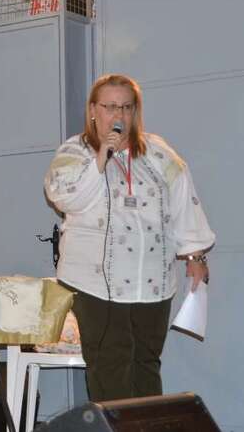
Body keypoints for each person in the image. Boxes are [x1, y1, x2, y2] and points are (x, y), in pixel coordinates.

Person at [44, 73, 214, 401]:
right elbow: (66, 199)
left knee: (146, 364)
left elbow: (183, 201)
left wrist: (195, 255)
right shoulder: (75, 151)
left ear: (135, 111)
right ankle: (116, 423)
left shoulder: (158, 152)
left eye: (126, 107)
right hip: (96, 286)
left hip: (152, 285)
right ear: (93, 110)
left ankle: (147, 423)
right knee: (111, 365)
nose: (118, 115)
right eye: (109, 107)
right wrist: (101, 158)